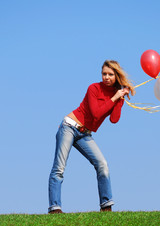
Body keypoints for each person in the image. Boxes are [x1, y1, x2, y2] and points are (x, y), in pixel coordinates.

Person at [48, 60, 135, 214]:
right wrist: (115, 98)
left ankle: (106, 206)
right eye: (104, 74)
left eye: (110, 74)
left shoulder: (116, 94)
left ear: (116, 76)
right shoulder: (93, 88)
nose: (107, 77)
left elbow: (114, 119)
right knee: (59, 168)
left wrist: (120, 100)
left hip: (85, 133)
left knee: (102, 164)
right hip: (69, 127)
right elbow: (96, 113)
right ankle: (55, 208)